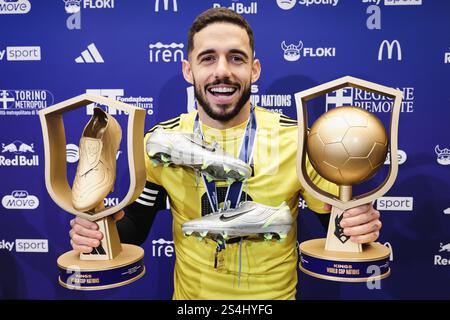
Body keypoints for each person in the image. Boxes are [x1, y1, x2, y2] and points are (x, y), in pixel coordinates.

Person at [69, 8, 382, 299]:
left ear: (254, 69)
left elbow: (333, 230)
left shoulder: (297, 139)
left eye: (236, 58)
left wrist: (355, 227)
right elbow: (134, 228)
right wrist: (98, 235)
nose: (222, 71)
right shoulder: (160, 142)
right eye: (207, 59)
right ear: (188, 70)